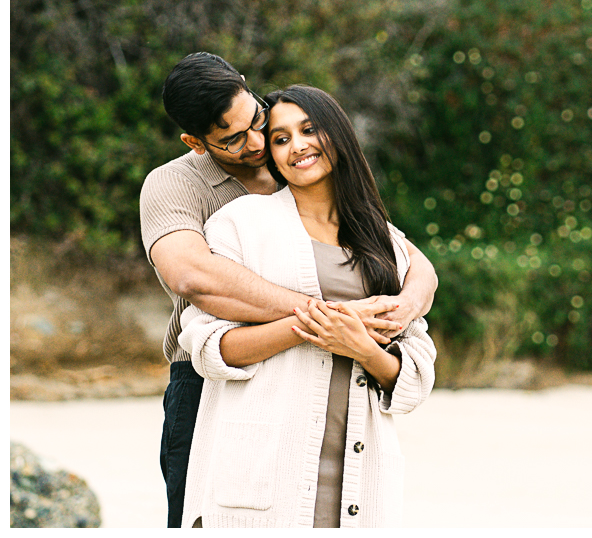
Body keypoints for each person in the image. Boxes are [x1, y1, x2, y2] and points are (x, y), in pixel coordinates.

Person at [140, 54, 437, 528]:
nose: (256, 143)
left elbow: (408, 259)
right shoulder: (175, 184)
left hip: (326, 381)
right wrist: (329, 319)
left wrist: (403, 304)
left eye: (257, 120)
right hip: (207, 379)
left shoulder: (292, 161)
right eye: (233, 139)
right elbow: (192, 276)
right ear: (195, 142)